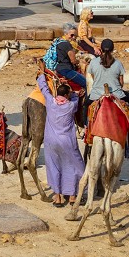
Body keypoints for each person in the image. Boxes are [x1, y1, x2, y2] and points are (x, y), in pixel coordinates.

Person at [37, 73, 83, 207]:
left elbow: (44, 88)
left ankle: (57, 198)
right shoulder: (71, 106)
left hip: (51, 142)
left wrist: (42, 75)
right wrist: (72, 89)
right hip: (67, 141)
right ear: (67, 95)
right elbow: (76, 96)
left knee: (54, 167)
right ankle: (73, 196)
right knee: (74, 166)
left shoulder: (50, 102)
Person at [47, 23, 87, 91]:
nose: (73, 37)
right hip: (66, 70)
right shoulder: (67, 44)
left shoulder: (58, 41)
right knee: (86, 83)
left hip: (58, 68)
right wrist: (80, 61)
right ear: (66, 33)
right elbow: (73, 61)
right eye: (72, 35)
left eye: (75, 36)